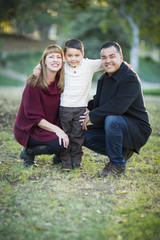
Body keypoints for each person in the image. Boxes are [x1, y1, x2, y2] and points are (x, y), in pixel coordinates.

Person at [80, 41, 152, 177]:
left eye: (112, 56)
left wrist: (93, 115)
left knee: (112, 119)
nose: (108, 61)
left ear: (121, 57)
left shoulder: (130, 78)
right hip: (115, 128)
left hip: (136, 130)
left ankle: (117, 164)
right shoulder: (103, 79)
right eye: (104, 57)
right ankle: (122, 151)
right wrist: (79, 108)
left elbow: (118, 106)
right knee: (81, 135)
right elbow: (97, 103)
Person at [34, 39, 102, 170]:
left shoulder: (89, 65)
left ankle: (76, 163)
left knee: (77, 136)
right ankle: (65, 163)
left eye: (77, 55)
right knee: (65, 135)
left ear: (83, 54)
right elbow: (46, 63)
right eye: (69, 55)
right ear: (65, 56)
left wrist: (125, 64)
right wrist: (37, 68)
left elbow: (106, 62)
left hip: (81, 109)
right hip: (64, 108)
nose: (73, 59)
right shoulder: (62, 65)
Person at [14, 44, 69, 167]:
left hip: (49, 127)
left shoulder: (61, 81)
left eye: (58, 57)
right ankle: (28, 152)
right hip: (30, 129)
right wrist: (58, 130)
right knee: (59, 143)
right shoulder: (34, 83)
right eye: (51, 57)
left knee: (71, 137)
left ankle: (58, 155)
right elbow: (34, 118)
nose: (55, 60)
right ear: (44, 61)